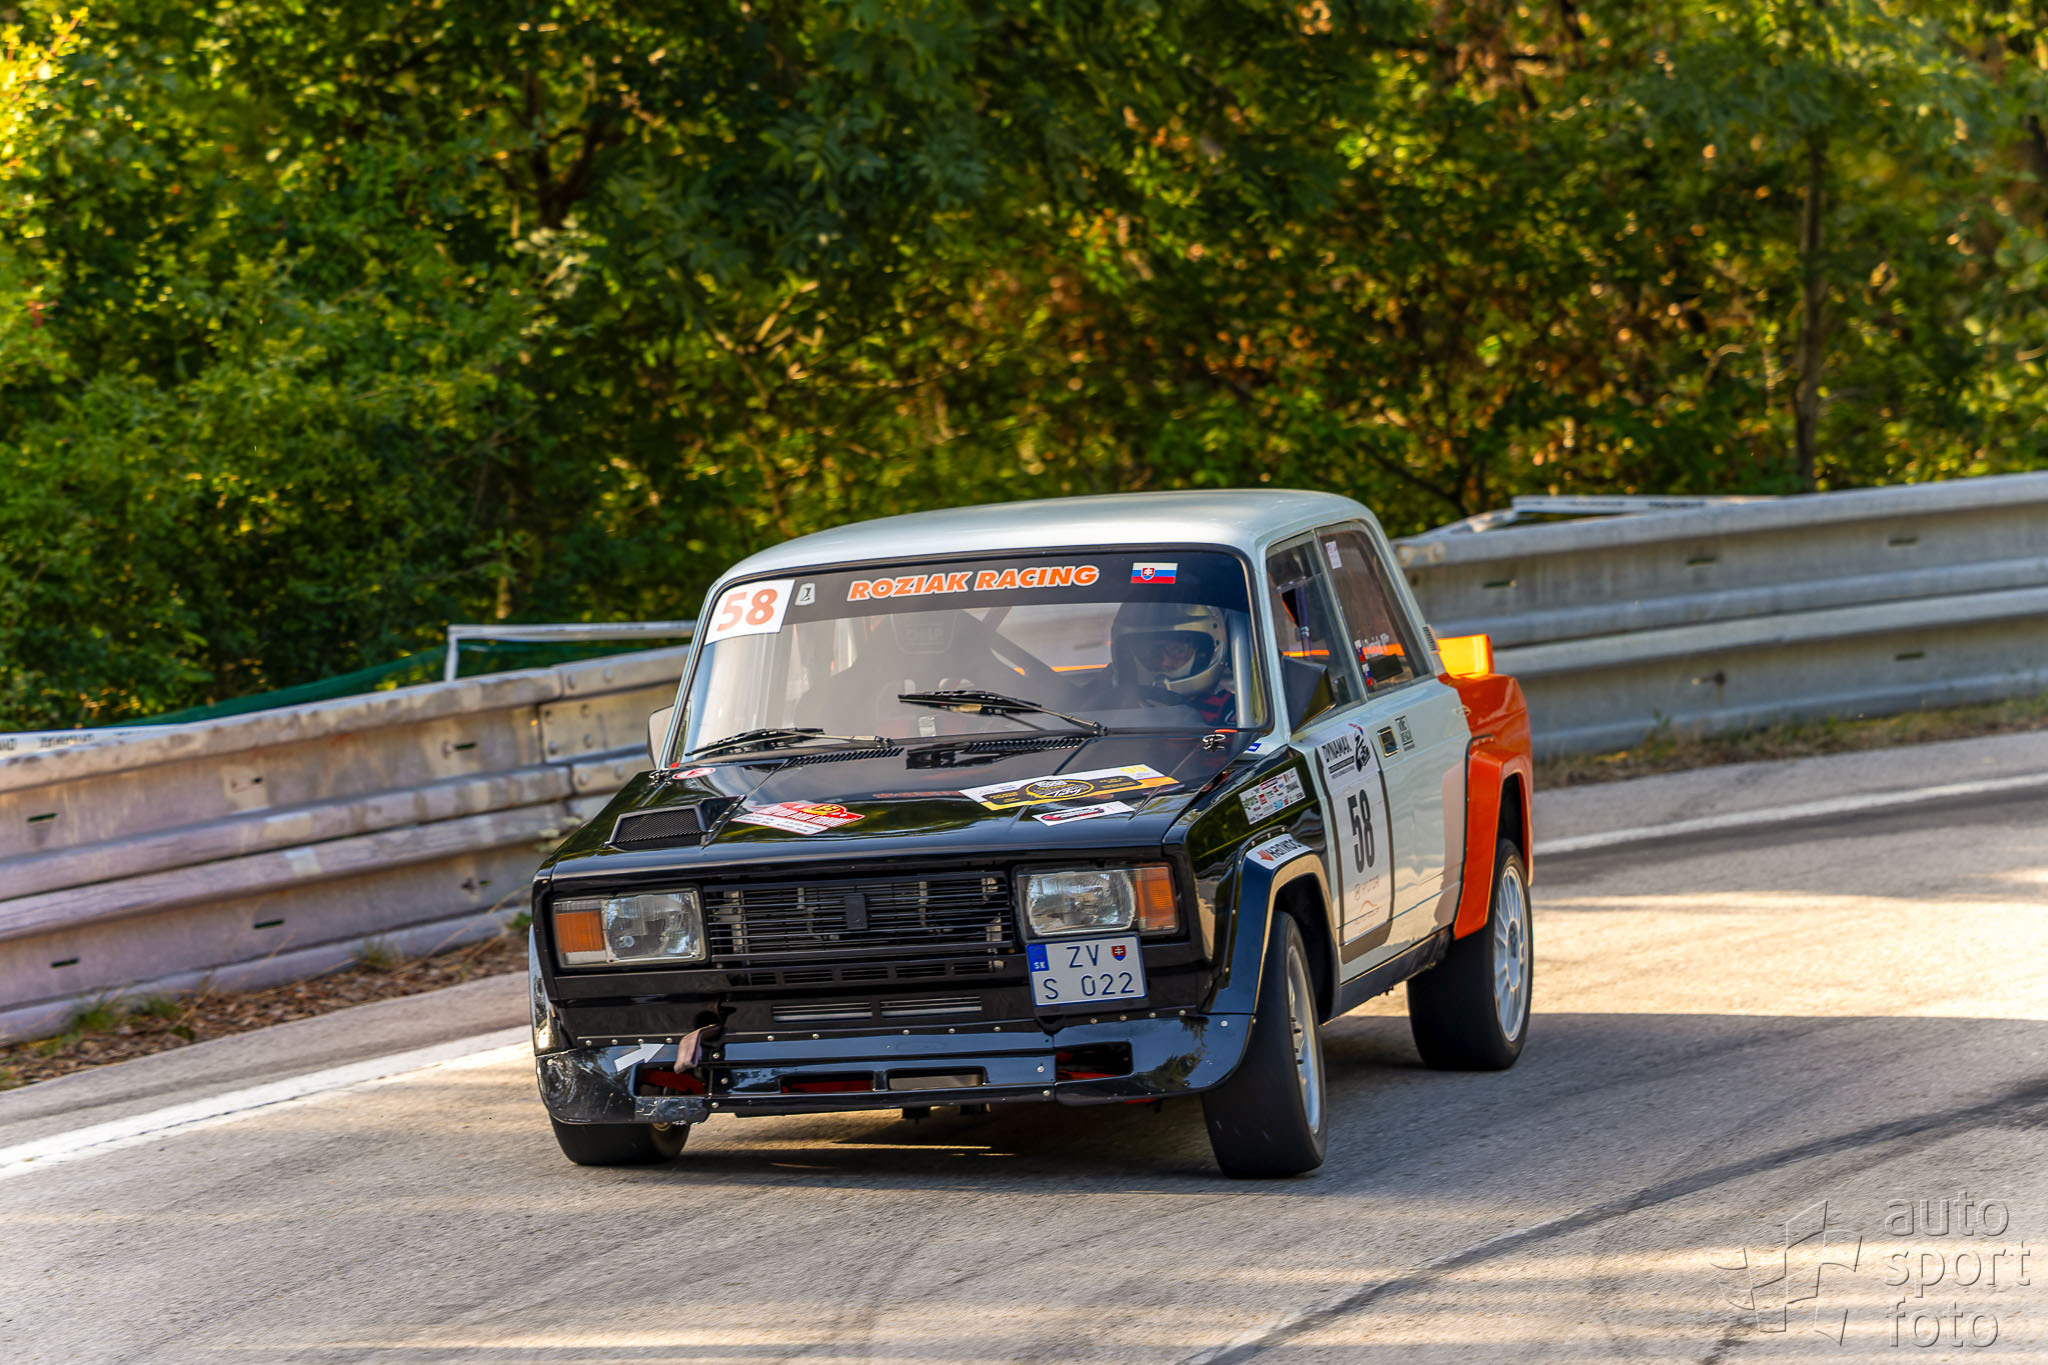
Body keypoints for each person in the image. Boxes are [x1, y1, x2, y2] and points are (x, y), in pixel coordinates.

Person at [1103, 600, 1235, 725]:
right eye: (1152, 652)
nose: (1165, 662)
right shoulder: (1111, 701)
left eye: (1177, 651)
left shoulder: (1230, 711)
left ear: (1203, 655)